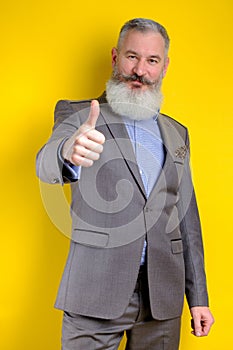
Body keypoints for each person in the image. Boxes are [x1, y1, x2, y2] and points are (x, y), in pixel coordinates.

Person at [36, 18, 214, 350]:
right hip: (94, 294)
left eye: (152, 60)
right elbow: (46, 162)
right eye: (132, 57)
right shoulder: (78, 115)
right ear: (116, 57)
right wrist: (68, 151)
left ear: (164, 67)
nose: (140, 70)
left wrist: (198, 297)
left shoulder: (177, 132)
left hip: (162, 299)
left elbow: (186, 217)